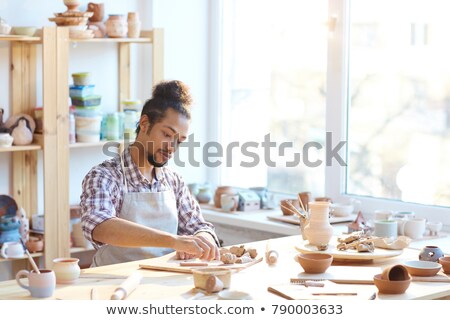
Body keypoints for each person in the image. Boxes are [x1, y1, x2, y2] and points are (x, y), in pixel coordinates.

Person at [80, 80, 220, 267]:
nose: (172, 148)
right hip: (113, 284)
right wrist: (173, 241)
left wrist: (203, 239)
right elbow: (99, 225)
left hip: (163, 282)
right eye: (167, 135)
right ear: (145, 124)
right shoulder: (105, 176)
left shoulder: (173, 181)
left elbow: (199, 226)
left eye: (179, 141)